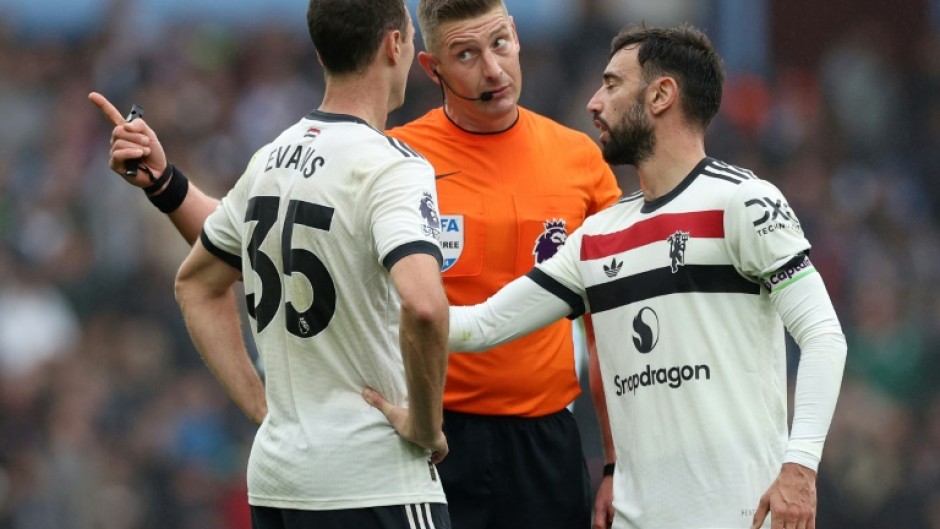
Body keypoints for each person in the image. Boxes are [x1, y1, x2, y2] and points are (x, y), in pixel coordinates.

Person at [91, 1, 623, 528]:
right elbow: (267, 233)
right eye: (466, 54)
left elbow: (609, 323)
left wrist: (618, 460)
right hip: (424, 432)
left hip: (543, 439)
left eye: (500, 44)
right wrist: (167, 187)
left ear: (517, 37)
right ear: (428, 66)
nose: (492, 69)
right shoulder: (393, 159)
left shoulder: (579, 161)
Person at [436, 24, 847, 529]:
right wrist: (367, 321)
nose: (593, 103)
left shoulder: (743, 202)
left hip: (738, 516)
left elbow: (824, 336)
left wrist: (800, 467)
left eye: (611, 85)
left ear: (660, 95)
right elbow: (480, 327)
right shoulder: (596, 236)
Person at [92, 1, 452, 528]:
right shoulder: (392, 168)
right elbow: (424, 306)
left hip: (279, 480)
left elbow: (198, 280)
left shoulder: (272, 158)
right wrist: (425, 424)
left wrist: (265, 412)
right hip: (372, 479)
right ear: (394, 45)